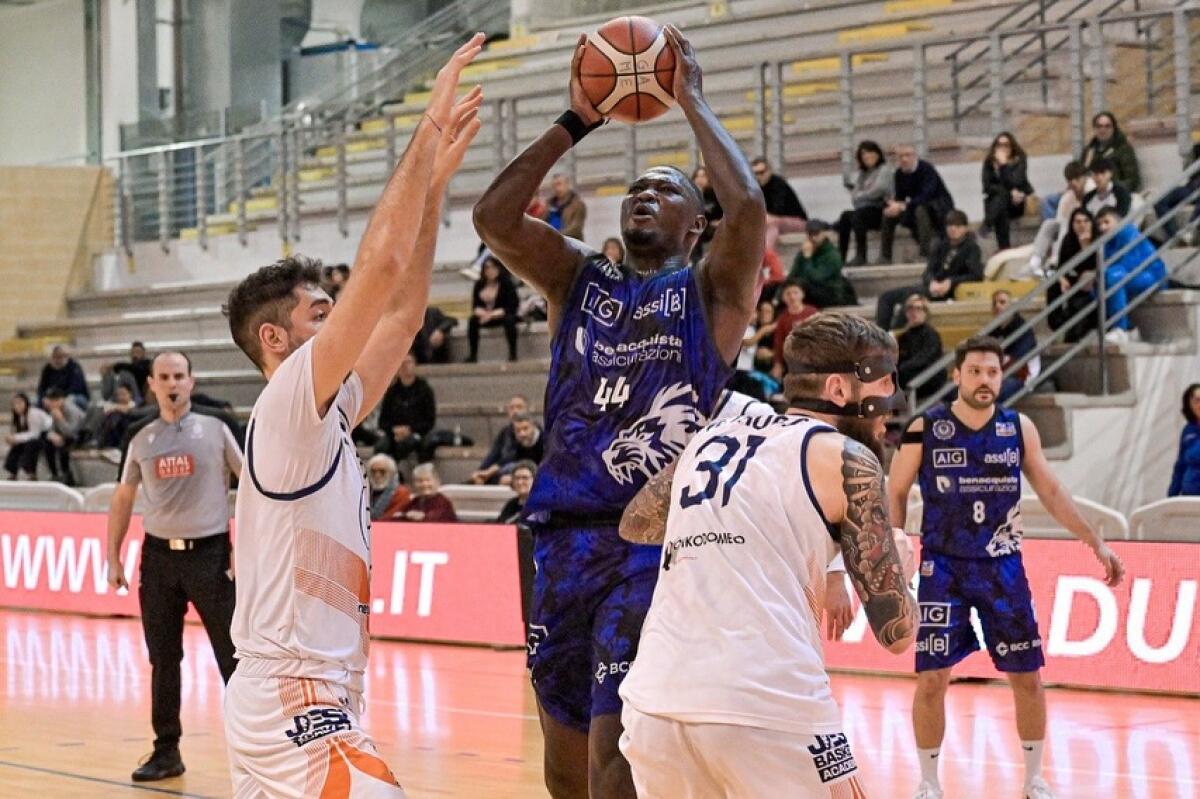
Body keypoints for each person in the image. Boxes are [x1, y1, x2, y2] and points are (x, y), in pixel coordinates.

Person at [472, 24, 765, 798]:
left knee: (616, 746)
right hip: (556, 539)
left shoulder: (711, 293)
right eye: (637, 187)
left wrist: (690, 99)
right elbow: (494, 220)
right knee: (563, 748)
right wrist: (578, 118)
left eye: (667, 189)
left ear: (695, 225)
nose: (645, 193)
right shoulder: (579, 281)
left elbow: (751, 211)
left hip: (652, 541)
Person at [220, 35, 484, 798]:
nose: (342, 324)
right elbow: (384, 268)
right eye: (322, 313)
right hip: (294, 694)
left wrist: (433, 189)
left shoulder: (324, 410)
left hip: (319, 687)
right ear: (278, 338)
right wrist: (425, 132)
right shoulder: (289, 401)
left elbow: (401, 314)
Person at [617, 312, 917, 797]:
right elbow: (897, 632)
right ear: (839, 390)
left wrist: (738, 528)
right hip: (769, 705)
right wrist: (902, 566)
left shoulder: (711, 436)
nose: (890, 407)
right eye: (882, 387)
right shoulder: (849, 459)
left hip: (657, 703)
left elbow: (636, 523)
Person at [888, 336, 1125, 799]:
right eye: (974, 371)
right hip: (943, 567)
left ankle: (1034, 777)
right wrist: (895, 547)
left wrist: (1094, 541)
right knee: (933, 678)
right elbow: (894, 492)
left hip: (1003, 567)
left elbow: (1052, 492)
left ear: (1002, 376)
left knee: (1027, 676)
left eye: (992, 372)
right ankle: (928, 782)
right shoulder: (925, 428)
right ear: (957, 375)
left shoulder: (1018, 428)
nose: (984, 380)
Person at [105, 351, 243, 782]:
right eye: (163, 377)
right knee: (164, 658)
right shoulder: (140, 435)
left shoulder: (218, 426)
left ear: (192, 380)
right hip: (159, 558)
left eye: (179, 376)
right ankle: (166, 751)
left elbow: (253, 486)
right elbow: (124, 496)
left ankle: (256, 749)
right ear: (151, 383)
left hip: (211, 555)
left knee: (233, 657)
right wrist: (113, 554)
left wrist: (244, 547)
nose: (172, 383)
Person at [876, 210, 982, 329]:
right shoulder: (941, 245)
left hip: (950, 291)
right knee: (886, 297)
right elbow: (928, 271)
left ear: (965, 228)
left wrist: (951, 282)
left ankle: (894, 337)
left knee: (911, 301)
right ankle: (880, 337)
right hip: (930, 287)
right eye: (950, 225)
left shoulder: (971, 248)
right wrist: (931, 282)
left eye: (958, 226)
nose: (953, 229)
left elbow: (976, 275)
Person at [1095, 206, 1168, 342]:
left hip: (1151, 275)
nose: (1102, 227)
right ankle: (1129, 327)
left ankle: (1121, 329)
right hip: (1129, 276)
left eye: (1106, 222)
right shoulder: (1106, 243)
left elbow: (1130, 264)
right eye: (1099, 224)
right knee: (1102, 282)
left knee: (1114, 277)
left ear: (1118, 221)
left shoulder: (1129, 233)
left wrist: (1105, 274)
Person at [881, 145, 954, 263]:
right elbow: (900, 197)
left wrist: (902, 205)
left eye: (908, 155)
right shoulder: (899, 174)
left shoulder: (926, 169)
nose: (904, 159)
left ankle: (925, 253)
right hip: (914, 206)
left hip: (937, 207)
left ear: (915, 157)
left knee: (920, 209)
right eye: (900, 157)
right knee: (888, 214)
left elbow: (927, 195)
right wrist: (894, 205)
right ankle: (885, 256)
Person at [1027, 161, 1093, 277]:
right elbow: (1059, 220)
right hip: (1071, 231)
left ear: (1084, 178)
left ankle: (1056, 261)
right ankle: (1035, 261)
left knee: (1067, 223)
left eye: (1077, 179)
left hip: (1087, 230)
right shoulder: (1068, 197)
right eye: (1070, 180)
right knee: (1049, 223)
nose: (1074, 183)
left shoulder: (1092, 193)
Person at [1046, 209, 1100, 343]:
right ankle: (1057, 324)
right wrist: (1061, 278)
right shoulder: (1068, 240)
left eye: (1086, 221)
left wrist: (1085, 245)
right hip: (1074, 279)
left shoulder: (1098, 240)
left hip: (1093, 282)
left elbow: (1096, 265)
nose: (1082, 225)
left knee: (1082, 291)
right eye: (1078, 222)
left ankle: (1076, 329)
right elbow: (1061, 266)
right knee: (1053, 285)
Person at [837, 140, 893, 265]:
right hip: (865, 209)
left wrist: (862, 195)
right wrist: (864, 194)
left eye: (869, 153)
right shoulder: (863, 174)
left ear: (877, 154)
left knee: (859, 215)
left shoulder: (884, 170)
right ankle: (840, 257)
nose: (866, 156)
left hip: (881, 209)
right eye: (863, 154)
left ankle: (861, 255)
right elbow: (854, 197)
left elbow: (879, 190)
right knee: (845, 216)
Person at [375, 354, 437, 463]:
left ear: (415, 366)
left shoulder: (425, 390)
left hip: (417, 432)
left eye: (408, 362)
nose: (405, 366)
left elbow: (429, 421)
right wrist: (394, 430)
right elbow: (382, 421)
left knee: (415, 444)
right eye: (402, 363)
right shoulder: (391, 392)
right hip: (394, 434)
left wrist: (409, 430)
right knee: (381, 446)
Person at [981, 132, 1035, 250]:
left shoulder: (1019, 160)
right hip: (998, 204)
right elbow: (986, 187)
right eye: (999, 145)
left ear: (1012, 146)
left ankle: (987, 225)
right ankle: (1004, 248)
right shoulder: (989, 162)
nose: (1002, 148)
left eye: (1006, 145)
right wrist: (1008, 191)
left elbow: (1017, 182)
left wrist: (1004, 165)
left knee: (1001, 198)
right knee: (1001, 202)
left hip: (1015, 204)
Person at [788, 219, 858, 308]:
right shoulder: (804, 252)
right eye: (810, 234)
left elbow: (817, 278)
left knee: (803, 289)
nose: (813, 238)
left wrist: (808, 259)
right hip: (811, 290)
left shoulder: (832, 255)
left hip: (830, 292)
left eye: (816, 234)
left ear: (824, 233)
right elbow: (793, 274)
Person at [468, 255, 520, 362]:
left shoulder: (506, 283)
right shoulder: (479, 284)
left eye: (492, 267)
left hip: (502, 314)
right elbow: (475, 305)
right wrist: (483, 313)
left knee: (509, 321)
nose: (489, 271)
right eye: (486, 268)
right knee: (472, 321)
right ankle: (473, 355)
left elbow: (512, 305)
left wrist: (491, 314)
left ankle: (513, 353)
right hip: (485, 316)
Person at [991, 289, 1040, 403]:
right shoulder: (994, 330)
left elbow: (1018, 361)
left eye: (1002, 302)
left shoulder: (1022, 329)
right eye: (994, 303)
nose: (997, 306)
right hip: (1001, 374)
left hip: (1021, 375)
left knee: (993, 393)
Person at [753, 156, 807, 257]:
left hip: (796, 221)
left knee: (772, 223)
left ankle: (766, 257)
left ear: (769, 171)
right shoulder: (754, 188)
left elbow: (777, 211)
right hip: (771, 223)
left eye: (762, 172)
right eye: (755, 173)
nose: (758, 177)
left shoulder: (778, 184)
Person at [896, 296, 947, 403]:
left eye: (918, 308)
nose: (913, 312)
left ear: (925, 313)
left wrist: (903, 367)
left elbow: (926, 358)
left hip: (929, 376)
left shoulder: (931, 334)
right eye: (910, 308)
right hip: (908, 374)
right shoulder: (903, 337)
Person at [470, 411, 543, 485]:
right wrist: (484, 473)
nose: (522, 434)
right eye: (518, 430)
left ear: (533, 426)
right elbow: (505, 460)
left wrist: (515, 479)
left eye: (525, 429)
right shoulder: (514, 439)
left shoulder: (545, 441)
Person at [1153, 142, 1200, 245]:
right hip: (1191, 188)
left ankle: (1189, 231)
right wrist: (1193, 155)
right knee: (1160, 200)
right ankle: (1175, 237)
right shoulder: (1196, 148)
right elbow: (1187, 171)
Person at [1081, 111, 1141, 192]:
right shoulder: (1089, 151)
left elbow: (1133, 181)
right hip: (1088, 193)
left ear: (1114, 128)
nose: (1103, 129)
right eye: (1099, 126)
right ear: (1094, 129)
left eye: (1107, 126)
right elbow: (1079, 174)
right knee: (1058, 199)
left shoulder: (1123, 149)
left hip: (1111, 195)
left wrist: (1110, 187)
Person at [772, 282, 819, 376]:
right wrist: (778, 364)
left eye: (795, 292)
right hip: (793, 361)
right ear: (783, 297)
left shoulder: (813, 312)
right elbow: (779, 342)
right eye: (788, 293)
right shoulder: (782, 318)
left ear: (802, 294)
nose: (792, 297)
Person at [40, 388, 85, 485]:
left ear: (60, 400)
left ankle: (68, 476)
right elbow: (51, 428)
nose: (51, 404)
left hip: (79, 435)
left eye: (53, 401)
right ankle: (54, 474)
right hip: (63, 435)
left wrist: (60, 419)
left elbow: (72, 431)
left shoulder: (71, 410)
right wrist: (52, 435)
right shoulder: (54, 410)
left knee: (64, 448)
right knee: (46, 444)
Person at [4, 392, 50, 480]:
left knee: (31, 445)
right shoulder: (18, 417)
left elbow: (35, 434)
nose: (18, 406)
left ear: (26, 402)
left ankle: (31, 473)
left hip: (45, 436)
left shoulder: (33, 413)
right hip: (32, 438)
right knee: (17, 446)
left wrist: (16, 438)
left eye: (20, 403)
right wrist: (13, 439)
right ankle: (13, 472)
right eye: (15, 404)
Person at [1168, 383, 1200, 496]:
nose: (1199, 405)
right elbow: (1181, 465)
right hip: (1188, 497)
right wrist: (1172, 496)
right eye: (1196, 401)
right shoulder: (1188, 430)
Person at [37, 345, 89, 409]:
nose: (57, 360)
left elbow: (76, 388)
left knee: (73, 401)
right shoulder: (47, 368)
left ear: (66, 356)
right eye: (54, 357)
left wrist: (60, 399)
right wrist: (44, 398)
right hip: (53, 397)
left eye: (60, 356)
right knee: (38, 402)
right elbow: (41, 388)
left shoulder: (74, 367)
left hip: (73, 396)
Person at [690, 165, 723, 265]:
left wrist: (720, 221)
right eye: (697, 176)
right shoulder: (690, 195)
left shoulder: (715, 193)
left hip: (714, 226)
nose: (700, 179)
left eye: (703, 176)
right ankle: (696, 263)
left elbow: (727, 211)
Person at [542, 173, 588, 240]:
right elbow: (543, 221)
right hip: (550, 242)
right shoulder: (549, 203)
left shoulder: (578, 204)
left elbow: (576, 228)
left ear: (567, 184)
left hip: (570, 242)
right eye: (554, 186)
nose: (557, 189)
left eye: (559, 184)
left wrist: (557, 235)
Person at [367, 453, 411, 521]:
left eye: (382, 471)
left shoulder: (401, 492)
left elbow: (393, 515)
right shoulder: (366, 491)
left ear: (391, 472)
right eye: (373, 471)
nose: (377, 475)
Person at [497, 459, 537, 524]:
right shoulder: (511, 504)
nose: (519, 482)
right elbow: (500, 525)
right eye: (516, 478)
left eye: (525, 478)